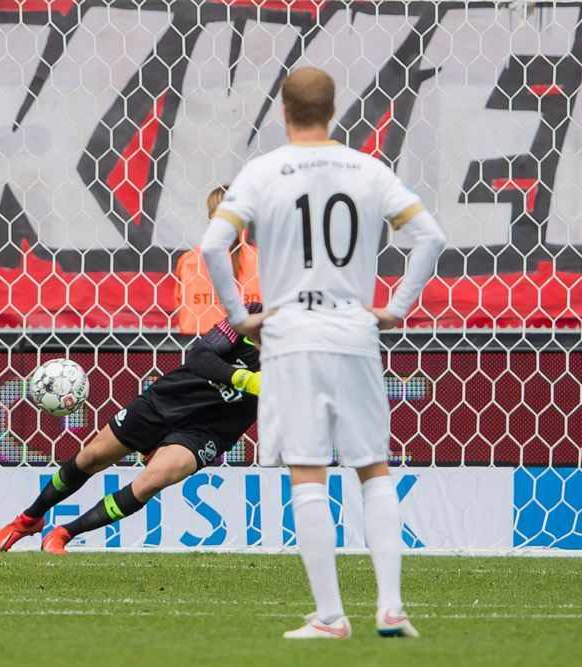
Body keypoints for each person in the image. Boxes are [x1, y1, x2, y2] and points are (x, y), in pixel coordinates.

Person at [200, 67, 446, 640]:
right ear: (333, 110)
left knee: (306, 469)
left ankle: (333, 616)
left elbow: (215, 243)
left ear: (283, 112)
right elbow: (430, 237)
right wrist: (396, 308)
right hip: (354, 329)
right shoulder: (369, 170)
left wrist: (242, 318)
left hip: (291, 335)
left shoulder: (261, 172)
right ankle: (391, 608)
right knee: (372, 466)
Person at [0, 302, 263, 554]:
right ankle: (29, 520)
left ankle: (64, 534)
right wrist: (246, 379)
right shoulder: (248, 315)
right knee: (91, 458)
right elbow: (199, 356)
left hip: (209, 431)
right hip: (167, 400)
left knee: (150, 482)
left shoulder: (299, 356)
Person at [174, 185, 260, 334]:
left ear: (210, 217)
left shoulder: (190, 261)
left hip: (197, 348)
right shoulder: (261, 260)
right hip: (249, 349)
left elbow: (179, 305)